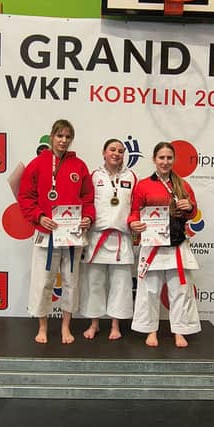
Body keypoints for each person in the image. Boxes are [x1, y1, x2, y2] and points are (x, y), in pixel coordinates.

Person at [18, 118, 95, 344]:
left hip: (72, 236)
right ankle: (42, 327)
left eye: (68, 137)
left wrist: (88, 217)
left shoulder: (79, 166)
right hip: (46, 234)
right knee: (43, 282)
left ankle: (65, 327)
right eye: (59, 135)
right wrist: (39, 217)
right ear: (51, 136)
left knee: (71, 281)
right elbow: (26, 197)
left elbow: (88, 198)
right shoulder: (37, 164)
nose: (63, 140)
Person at [128, 141, 201, 348]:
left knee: (181, 290)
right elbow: (134, 212)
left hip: (177, 244)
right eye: (161, 157)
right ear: (154, 159)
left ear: (174, 160)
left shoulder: (183, 185)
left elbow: (193, 213)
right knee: (149, 290)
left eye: (169, 158)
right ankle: (151, 330)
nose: (165, 161)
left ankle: (179, 330)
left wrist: (190, 207)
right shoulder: (143, 185)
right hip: (152, 245)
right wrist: (133, 223)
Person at [79, 138, 137, 340]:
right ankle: (94, 324)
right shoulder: (94, 176)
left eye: (121, 151)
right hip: (97, 236)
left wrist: (134, 222)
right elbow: (86, 202)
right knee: (94, 282)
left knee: (120, 284)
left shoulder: (131, 176)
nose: (116, 153)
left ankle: (115, 325)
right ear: (104, 153)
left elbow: (135, 207)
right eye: (112, 149)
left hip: (121, 237)